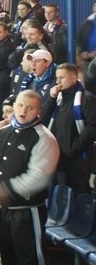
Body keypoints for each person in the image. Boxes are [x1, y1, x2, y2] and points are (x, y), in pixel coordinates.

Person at [0, 90, 59, 265]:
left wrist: (2, 189)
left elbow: (38, 177)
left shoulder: (44, 138)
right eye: (20, 105)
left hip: (27, 211)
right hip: (3, 210)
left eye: (30, 108)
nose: (23, 111)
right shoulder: (2, 133)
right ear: (14, 106)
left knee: (31, 263)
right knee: (9, 258)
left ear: (38, 111)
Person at [43, 63, 96, 194]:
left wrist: (75, 147)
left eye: (62, 78)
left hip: (77, 159)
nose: (58, 82)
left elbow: (92, 128)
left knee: (79, 194)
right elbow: (43, 118)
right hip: (56, 156)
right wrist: (51, 98)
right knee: (59, 195)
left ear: (73, 78)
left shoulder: (87, 99)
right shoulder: (58, 99)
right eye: (57, 78)